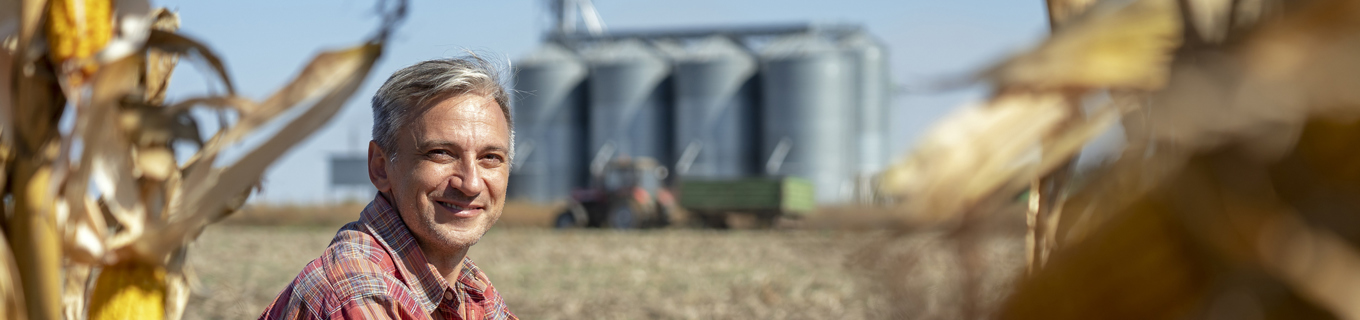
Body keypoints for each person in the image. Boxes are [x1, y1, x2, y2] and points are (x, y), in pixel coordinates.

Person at [260, 56, 518, 320]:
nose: (471, 183)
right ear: (380, 167)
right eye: (440, 153)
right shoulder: (359, 296)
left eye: (490, 157)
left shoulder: (468, 287)